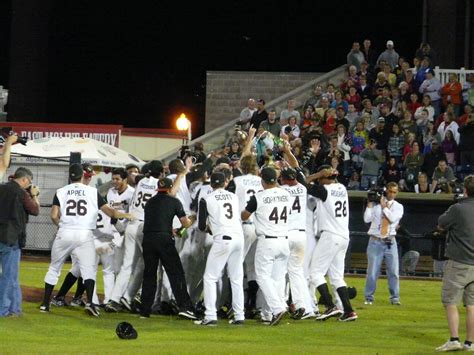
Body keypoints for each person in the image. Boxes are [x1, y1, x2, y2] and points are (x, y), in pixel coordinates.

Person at [40, 164, 133, 316]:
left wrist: (61, 225)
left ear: (70, 176)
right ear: (82, 176)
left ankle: (45, 304)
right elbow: (110, 212)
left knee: (54, 268)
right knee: (88, 269)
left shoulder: (61, 191)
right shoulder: (92, 191)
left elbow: (53, 215)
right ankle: (91, 302)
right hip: (85, 234)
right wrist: (126, 215)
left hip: (65, 232)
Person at [105, 160, 163, 312]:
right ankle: (132, 296)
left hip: (131, 224)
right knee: (149, 266)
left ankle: (115, 299)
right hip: (145, 227)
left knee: (127, 266)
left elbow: (133, 175)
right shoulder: (160, 184)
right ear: (161, 173)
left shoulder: (142, 180)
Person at [139, 176, 197, 319]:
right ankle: (185, 307)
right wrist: (193, 218)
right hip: (164, 241)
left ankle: (145, 310)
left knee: (149, 275)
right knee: (175, 273)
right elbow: (185, 223)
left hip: (148, 239)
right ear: (170, 189)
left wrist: (170, 230)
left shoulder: (150, 202)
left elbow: (156, 221)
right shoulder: (174, 201)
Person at [306, 165, 357, 321]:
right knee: (336, 277)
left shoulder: (325, 190)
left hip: (331, 235)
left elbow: (303, 183)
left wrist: (316, 174)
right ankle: (348, 311)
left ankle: (330, 306)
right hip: (344, 237)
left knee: (315, 273)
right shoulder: (341, 188)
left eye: (321, 179)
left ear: (324, 178)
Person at [241, 167, 291, 326]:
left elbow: (245, 215)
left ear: (262, 180)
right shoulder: (285, 194)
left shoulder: (259, 196)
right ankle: (269, 313)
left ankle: (277, 308)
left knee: (262, 276)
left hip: (268, 241)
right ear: (275, 180)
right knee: (277, 278)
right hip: (284, 240)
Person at [194, 172, 245, 326]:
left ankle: (210, 315)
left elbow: (201, 225)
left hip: (223, 239)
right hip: (238, 238)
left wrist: (211, 229)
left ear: (211, 184)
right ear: (224, 183)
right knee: (236, 278)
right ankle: (239, 315)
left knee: (210, 277)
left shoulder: (206, 198)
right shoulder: (234, 197)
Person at [435, 175, 474, 352]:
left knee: (450, 301)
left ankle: (454, 339)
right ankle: (470, 343)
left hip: (459, 262)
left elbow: (441, 224)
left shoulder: (458, 208)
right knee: (472, 304)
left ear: (465, 190)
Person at [0, 167, 40, 317]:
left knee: (11, 276)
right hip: (11, 239)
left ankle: (15, 308)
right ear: (24, 179)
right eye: (29, 182)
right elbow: (35, 210)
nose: (29, 185)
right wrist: (34, 195)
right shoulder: (21, 193)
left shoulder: (1, 188)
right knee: (9, 276)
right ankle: (4, 310)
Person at [363, 181, 404, 305]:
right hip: (375, 241)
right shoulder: (375, 205)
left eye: (394, 192)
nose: (392, 194)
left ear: (397, 193)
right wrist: (369, 203)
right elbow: (366, 219)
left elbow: (392, 219)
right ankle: (369, 297)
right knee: (372, 272)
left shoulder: (398, 206)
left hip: (390, 241)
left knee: (393, 272)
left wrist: (384, 207)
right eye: (390, 191)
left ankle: (395, 298)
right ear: (386, 191)